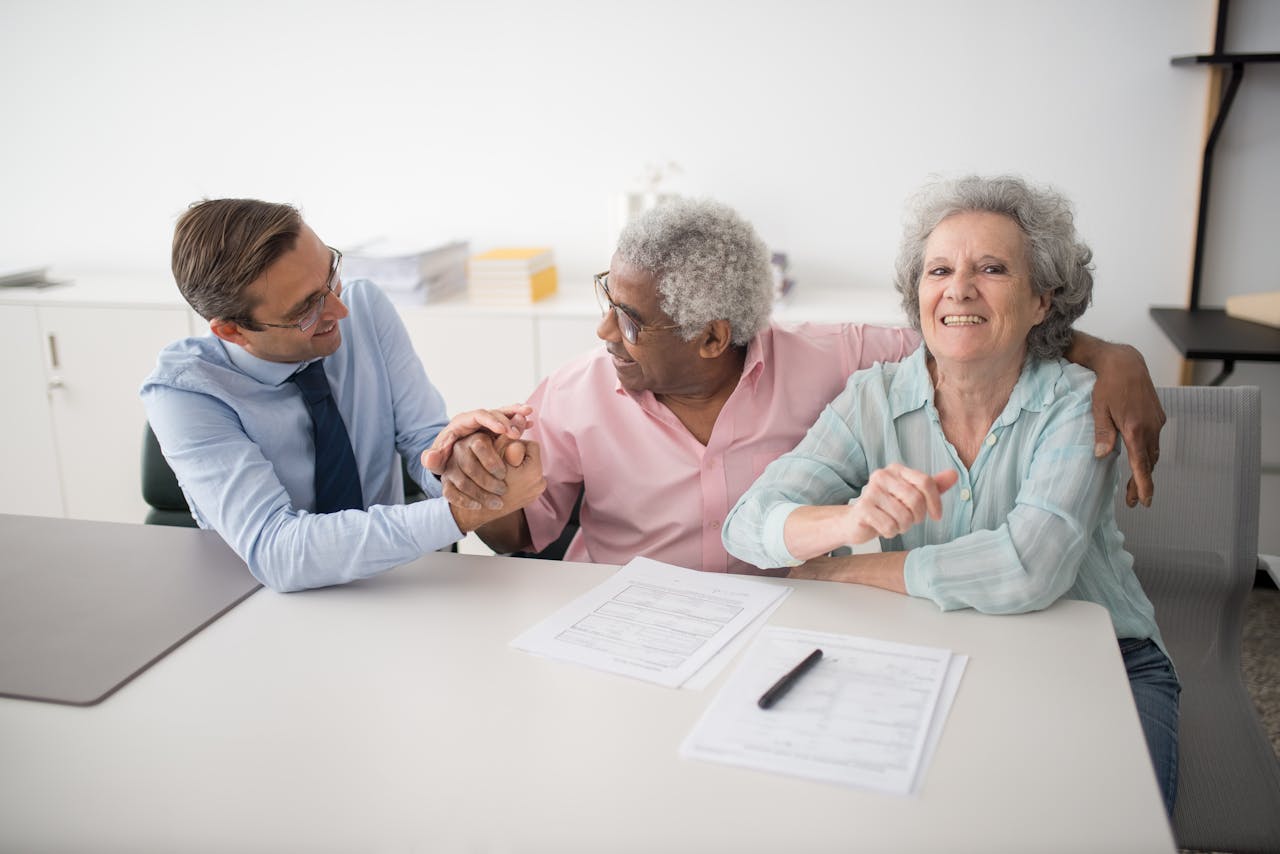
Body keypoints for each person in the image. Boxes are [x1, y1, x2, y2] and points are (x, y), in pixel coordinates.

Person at [720, 175, 1179, 813]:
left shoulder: (1077, 403)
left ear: (1043, 300)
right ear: (918, 294)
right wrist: (846, 522)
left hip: (1102, 661)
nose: (958, 288)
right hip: (932, 650)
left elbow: (1029, 569)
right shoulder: (871, 398)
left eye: (991, 269)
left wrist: (854, 572)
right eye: (939, 269)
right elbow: (746, 525)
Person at [429, 196, 1166, 576]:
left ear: (714, 337)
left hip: (784, 626)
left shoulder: (833, 359)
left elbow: (969, 328)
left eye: (628, 320)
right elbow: (522, 537)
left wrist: (1108, 353)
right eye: (607, 304)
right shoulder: (576, 390)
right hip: (626, 621)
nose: (602, 334)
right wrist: (491, 495)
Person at [141, 198, 545, 593]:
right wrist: (459, 513)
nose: (339, 309)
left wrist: (465, 458)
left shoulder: (365, 305)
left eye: (330, 274)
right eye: (306, 308)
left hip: (392, 584)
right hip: (263, 608)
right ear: (232, 330)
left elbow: (424, 443)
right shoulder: (184, 393)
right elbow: (276, 548)